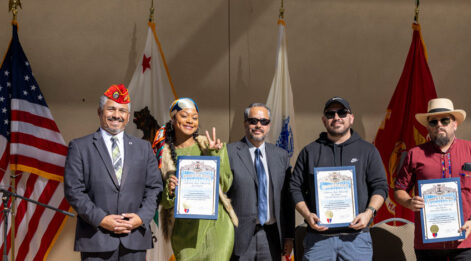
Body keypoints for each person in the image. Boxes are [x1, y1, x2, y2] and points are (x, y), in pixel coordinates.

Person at [64, 84, 163, 260]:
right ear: (99, 112)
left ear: (128, 116)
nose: (117, 115)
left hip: (135, 240)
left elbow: (154, 188)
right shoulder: (80, 147)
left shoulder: (144, 148)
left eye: (122, 111)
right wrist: (102, 219)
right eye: (111, 109)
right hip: (96, 239)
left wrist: (140, 218)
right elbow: (74, 191)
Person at [394, 98, 471, 261]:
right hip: (428, 244)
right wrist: (409, 202)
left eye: (445, 120)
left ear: (454, 124)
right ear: (428, 126)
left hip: (465, 242)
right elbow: (399, 190)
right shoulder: (415, 154)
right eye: (433, 121)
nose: (439, 125)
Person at [290, 96, 388, 261]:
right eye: (330, 114)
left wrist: (369, 213)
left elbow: (380, 186)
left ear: (351, 118)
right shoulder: (310, 152)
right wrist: (307, 215)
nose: (336, 118)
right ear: (324, 120)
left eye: (342, 113)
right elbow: (294, 187)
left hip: (356, 239)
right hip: (318, 240)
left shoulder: (368, 151)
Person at [154, 97, 238, 261]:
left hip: (217, 227)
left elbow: (225, 184)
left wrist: (215, 154)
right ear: (173, 119)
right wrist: (170, 190)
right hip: (185, 234)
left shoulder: (210, 145)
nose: (190, 121)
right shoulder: (163, 156)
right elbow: (165, 202)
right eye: (184, 116)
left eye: (194, 117)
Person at [227, 103, 295, 260]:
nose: (258, 125)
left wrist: (289, 236)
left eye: (264, 121)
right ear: (245, 123)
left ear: (269, 125)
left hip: (271, 236)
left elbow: (287, 199)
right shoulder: (229, 152)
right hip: (239, 236)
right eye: (253, 121)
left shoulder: (281, 156)